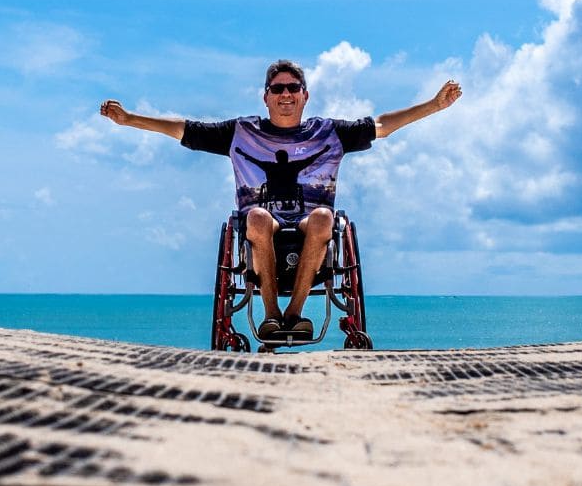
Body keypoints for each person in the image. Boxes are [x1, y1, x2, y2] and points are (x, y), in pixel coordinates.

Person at [100, 59, 460, 341]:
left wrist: (434, 105)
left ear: (305, 95)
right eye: (277, 88)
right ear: (266, 96)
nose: (285, 94)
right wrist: (129, 119)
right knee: (255, 217)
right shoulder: (242, 132)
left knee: (323, 217)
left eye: (293, 87)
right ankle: (272, 315)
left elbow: (381, 125)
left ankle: (295, 314)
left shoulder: (328, 132)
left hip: (311, 229)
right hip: (261, 226)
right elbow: (184, 130)